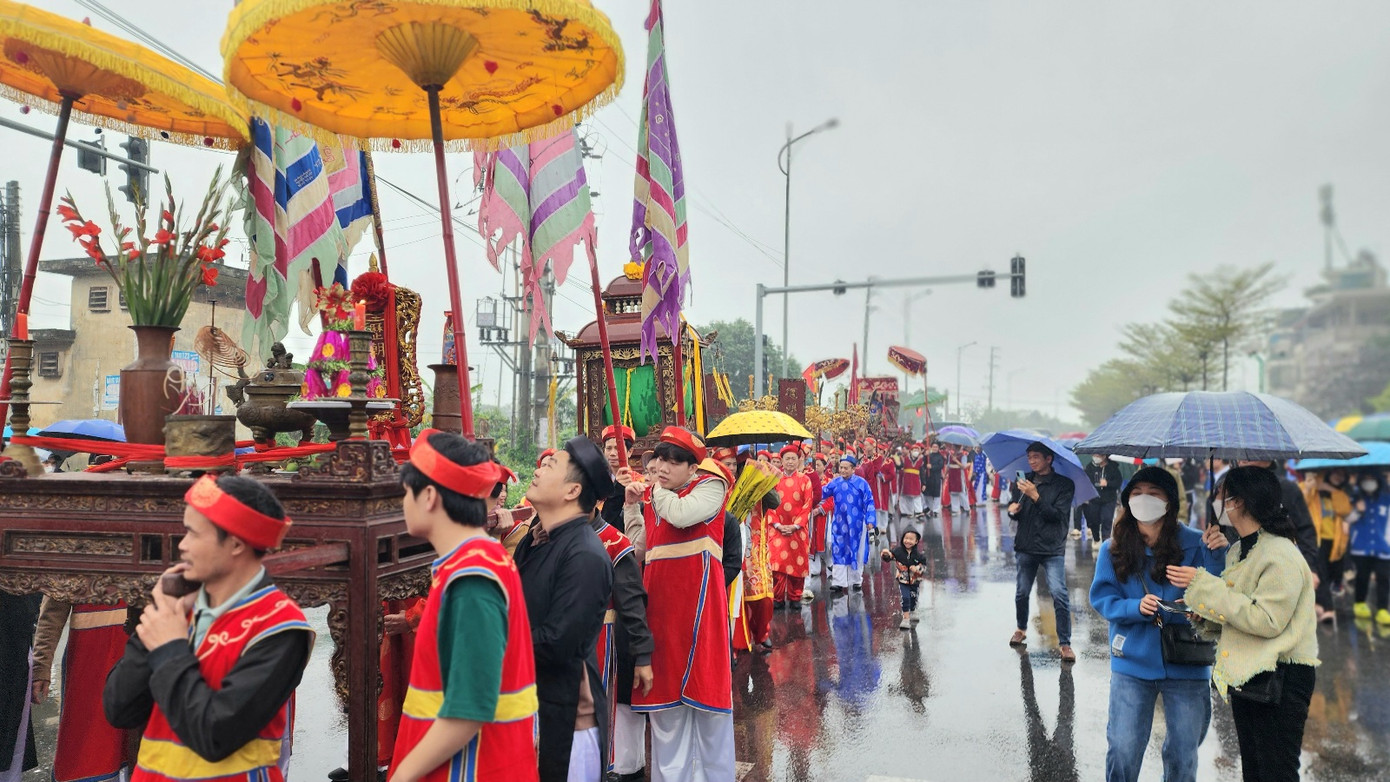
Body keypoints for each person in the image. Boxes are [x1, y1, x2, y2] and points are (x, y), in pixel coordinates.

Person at [103, 475, 312, 782]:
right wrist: (159, 614)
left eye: (192, 534)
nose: (182, 546)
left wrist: (169, 648)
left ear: (236, 544)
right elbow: (119, 709)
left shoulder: (279, 627)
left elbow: (215, 735)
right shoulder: (182, 608)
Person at [385, 430, 538, 782]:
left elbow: (470, 710)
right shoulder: (479, 560)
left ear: (428, 496)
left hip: (469, 767)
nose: (402, 503)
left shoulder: (472, 577)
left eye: (404, 493)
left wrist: (401, 775)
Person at [1173, 465, 1319, 782]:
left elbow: (1266, 620)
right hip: (1251, 671)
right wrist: (1206, 616)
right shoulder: (1239, 549)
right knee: (1254, 768)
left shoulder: (1280, 553)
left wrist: (1203, 586)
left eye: (1223, 498)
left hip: (1282, 675)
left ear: (1238, 502)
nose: (1220, 505)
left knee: (1276, 771)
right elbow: (1238, 610)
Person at [1089, 466, 1226, 782]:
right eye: (1136, 494)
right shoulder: (1114, 548)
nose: (1143, 500)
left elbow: (1220, 595)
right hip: (1132, 663)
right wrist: (1134, 607)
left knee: (1183, 753)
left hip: (1188, 662)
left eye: (1153, 493)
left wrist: (1216, 554)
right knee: (1122, 749)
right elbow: (1102, 598)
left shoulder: (1197, 544)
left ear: (1169, 503)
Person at [619, 427, 734, 782]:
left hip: (702, 617)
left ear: (692, 468)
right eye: (660, 461)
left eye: (672, 461)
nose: (662, 468)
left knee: (711, 712)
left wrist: (652, 491)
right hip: (662, 618)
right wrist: (630, 507)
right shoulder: (658, 498)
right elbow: (638, 550)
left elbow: (682, 516)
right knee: (665, 715)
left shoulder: (710, 488)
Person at [514, 437, 615, 782]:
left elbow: (557, 642)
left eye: (549, 466)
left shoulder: (584, 555)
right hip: (530, 701)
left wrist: (491, 645)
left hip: (565, 717)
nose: (538, 470)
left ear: (572, 491)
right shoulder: (535, 539)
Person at [33, 598, 134, 782]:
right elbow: (54, 607)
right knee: (85, 747)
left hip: (139, 654)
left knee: (138, 744)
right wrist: (41, 663)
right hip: (89, 661)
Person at [1007, 442, 1078, 662]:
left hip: (1051, 547)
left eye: (1036, 457)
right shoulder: (1023, 480)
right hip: (1026, 544)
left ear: (1049, 459)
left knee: (1059, 593)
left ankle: (1065, 643)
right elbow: (1018, 511)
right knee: (1021, 592)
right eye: (1029, 457)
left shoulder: (1065, 485)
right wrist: (1013, 511)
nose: (1032, 461)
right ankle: (1021, 628)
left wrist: (1035, 495)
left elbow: (1057, 516)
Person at [723, 448, 780, 654]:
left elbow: (776, 502)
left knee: (762, 599)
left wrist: (764, 478)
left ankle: (762, 633)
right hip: (732, 551)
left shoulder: (756, 488)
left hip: (755, 552)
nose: (732, 470)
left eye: (734, 466)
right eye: (729, 465)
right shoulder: (722, 488)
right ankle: (736, 642)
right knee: (735, 599)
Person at [1302, 467, 1353, 623]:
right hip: (1315, 539)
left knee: (1331, 574)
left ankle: (1316, 604)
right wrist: (1312, 486)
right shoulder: (1310, 488)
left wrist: (1330, 489)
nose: (1339, 477)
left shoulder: (1340, 494)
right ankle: (1328, 609)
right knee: (1321, 574)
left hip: (1335, 541)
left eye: (1342, 474)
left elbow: (1345, 509)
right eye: (1336, 473)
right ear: (1328, 473)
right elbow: (1302, 505)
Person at [766, 444, 814, 607]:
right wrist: (778, 525)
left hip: (798, 530)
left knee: (797, 563)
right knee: (777, 565)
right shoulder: (774, 479)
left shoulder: (805, 480)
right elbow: (768, 505)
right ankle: (777, 598)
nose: (790, 462)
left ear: (799, 460)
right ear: (781, 461)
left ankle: (795, 597)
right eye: (787, 459)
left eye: (794, 458)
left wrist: (795, 526)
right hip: (777, 529)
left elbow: (808, 505)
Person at [824, 455, 876, 594]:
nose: (843, 470)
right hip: (839, 524)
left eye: (846, 468)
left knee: (857, 551)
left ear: (853, 469)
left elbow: (869, 502)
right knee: (838, 550)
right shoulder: (835, 483)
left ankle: (856, 580)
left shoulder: (862, 483)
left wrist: (870, 520)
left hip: (857, 525)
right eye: (841, 467)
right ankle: (838, 582)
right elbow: (821, 494)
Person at [1349, 469, 1390, 624]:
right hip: (1361, 546)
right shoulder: (1355, 498)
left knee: (1384, 578)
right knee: (1362, 576)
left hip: (1383, 547)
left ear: (1379, 480)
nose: (1369, 481)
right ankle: (1359, 603)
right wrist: (1358, 511)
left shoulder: (1386, 499)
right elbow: (1347, 519)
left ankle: (1382, 609)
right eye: (1365, 478)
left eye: (1372, 478)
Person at [881, 529, 926, 629]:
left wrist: (917, 569)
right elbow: (890, 556)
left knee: (913, 597)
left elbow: (924, 567)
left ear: (916, 541)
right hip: (903, 580)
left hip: (915, 581)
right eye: (906, 538)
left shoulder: (919, 555)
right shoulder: (898, 551)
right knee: (905, 598)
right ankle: (905, 618)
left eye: (911, 539)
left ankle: (913, 610)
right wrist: (886, 554)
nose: (908, 541)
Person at [1081, 454, 1123, 544]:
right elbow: (1087, 482)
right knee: (1093, 520)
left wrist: (1107, 483)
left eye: (1098, 455)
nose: (1095, 457)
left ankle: (1105, 541)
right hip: (1094, 498)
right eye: (1094, 455)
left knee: (1107, 519)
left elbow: (1118, 482)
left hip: (1109, 498)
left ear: (1104, 456)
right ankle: (1096, 537)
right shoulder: (1090, 467)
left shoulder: (1113, 468)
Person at [898, 444, 927, 525]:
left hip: (916, 480)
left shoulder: (921, 460)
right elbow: (899, 466)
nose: (916, 452)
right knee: (907, 496)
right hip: (906, 480)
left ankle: (918, 512)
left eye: (917, 450)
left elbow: (922, 472)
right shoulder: (905, 459)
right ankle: (909, 511)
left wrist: (924, 483)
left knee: (917, 496)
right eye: (914, 450)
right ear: (910, 451)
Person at [923, 441, 945, 517]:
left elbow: (941, 466)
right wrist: (925, 456)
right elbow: (924, 463)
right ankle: (929, 507)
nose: (935, 448)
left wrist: (932, 467)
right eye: (933, 447)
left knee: (936, 494)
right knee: (927, 493)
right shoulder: (929, 455)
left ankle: (936, 510)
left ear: (938, 448)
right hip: (928, 477)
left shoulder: (940, 457)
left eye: (936, 447)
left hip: (936, 477)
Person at [946, 446, 971, 515]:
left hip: (959, 475)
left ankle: (967, 508)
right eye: (954, 447)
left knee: (961, 492)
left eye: (957, 447)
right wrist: (945, 475)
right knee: (953, 493)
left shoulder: (963, 456)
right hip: (951, 475)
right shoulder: (950, 455)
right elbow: (948, 466)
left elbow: (964, 466)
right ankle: (955, 509)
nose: (955, 449)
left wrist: (956, 460)